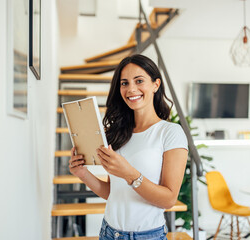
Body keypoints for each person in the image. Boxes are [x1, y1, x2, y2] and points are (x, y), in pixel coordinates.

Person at [69, 54, 188, 240]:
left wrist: (129, 174)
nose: (131, 89)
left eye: (139, 81)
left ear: (156, 84)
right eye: (124, 83)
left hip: (146, 236)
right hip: (108, 232)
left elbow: (169, 199)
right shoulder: (118, 133)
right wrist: (83, 174)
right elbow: (113, 193)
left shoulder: (170, 133)